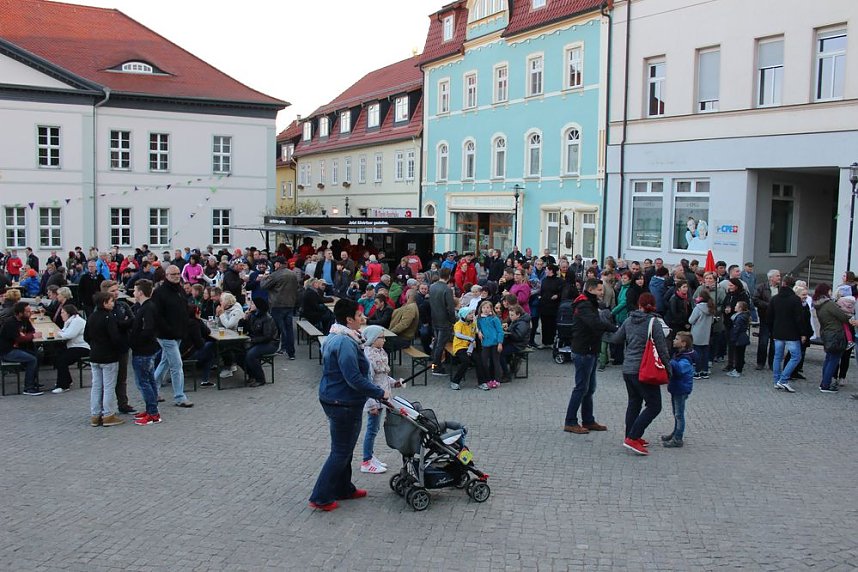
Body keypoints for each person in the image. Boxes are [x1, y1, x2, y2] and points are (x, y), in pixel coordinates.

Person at [308, 298, 390, 512]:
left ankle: (344, 487)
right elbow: (353, 377)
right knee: (340, 451)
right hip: (342, 401)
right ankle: (321, 496)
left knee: (345, 448)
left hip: (336, 398)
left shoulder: (339, 336)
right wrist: (380, 393)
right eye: (359, 315)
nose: (363, 318)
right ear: (349, 319)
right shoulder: (344, 342)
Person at [609, 292, 669, 455]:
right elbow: (662, 349)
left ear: (639, 305)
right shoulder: (653, 323)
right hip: (644, 369)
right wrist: (668, 370)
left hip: (628, 369)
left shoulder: (629, 320)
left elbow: (616, 339)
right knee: (654, 405)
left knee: (634, 402)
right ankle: (633, 438)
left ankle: (631, 434)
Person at [564, 279, 617, 435]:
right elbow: (595, 324)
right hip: (583, 351)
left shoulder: (590, 303)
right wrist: (614, 329)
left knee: (589, 388)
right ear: (592, 290)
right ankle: (570, 421)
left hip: (590, 350)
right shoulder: (584, 305)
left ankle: (588, 420)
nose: (602, 292)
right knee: (581, 387)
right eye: (600, 290)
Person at [360, 325, 404, 474]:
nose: (384, 340)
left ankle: (370, 456)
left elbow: (383, 376)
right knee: (372, 430)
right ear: (373, 339)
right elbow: (368, 381)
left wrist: (394, 383)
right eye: (381, 337)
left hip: (382, 397)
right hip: (375, 398)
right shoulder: (368, 356)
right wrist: (371, 404)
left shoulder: (379, 352)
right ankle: (366, 461)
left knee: (375, 428)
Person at [151, 265, 193, 407]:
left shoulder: (180, 290)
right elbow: (157, 315)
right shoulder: (159, 293)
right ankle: (179, 396)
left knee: (165, 362)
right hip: (166, 335)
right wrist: (167, 330)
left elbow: (184, 309)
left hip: (178, 333)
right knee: (177, 364)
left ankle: (153, 391)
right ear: (166, 276)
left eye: (177, 273)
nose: (176, 276)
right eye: (173, 274)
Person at [84, 292, 124, 426]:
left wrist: (94, 344)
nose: (113, 303)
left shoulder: (92, 316)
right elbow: (115, 337)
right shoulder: (109, 317)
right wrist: (120, 348)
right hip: (109, 356)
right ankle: (108, 415)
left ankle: (95, 414)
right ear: (105, 303)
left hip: (94, 354)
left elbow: (86, 336)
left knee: (96, 386)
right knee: (108, 386)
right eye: (111, 301)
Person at [128, 279, 163, 425]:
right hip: (146, 348)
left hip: (144, 350)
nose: (134, 293)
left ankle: (153, 413)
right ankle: (151, 409)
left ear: (141, 292)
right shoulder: (146, 307)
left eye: (135, 290)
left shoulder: (147, 308)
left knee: (144, 382)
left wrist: (135, 340)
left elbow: (148, 330)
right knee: (149, 380)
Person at [813, 283, 856, 393]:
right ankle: (826, 385)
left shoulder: (819, 304)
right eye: (830, 290)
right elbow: (842, 316)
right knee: (834, 360)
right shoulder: (829, 304)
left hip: (827, 333)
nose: (831, 292)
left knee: (829, 359)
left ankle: (824, 382)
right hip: (836, 334)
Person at [768, 275, 805, 393]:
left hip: (778, 332)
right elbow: (799, 318)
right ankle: (783, 379)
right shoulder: (795, 299)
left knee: (777, 357)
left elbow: (769, 317)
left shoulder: (775, 298)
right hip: (792, 333)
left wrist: (772, 330)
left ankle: (776, 380)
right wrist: (803, 333)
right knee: (796, 356)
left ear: (783, 284)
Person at [0, 301, 42, 395]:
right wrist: (31, 336)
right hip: (7, 351)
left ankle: (33, 381)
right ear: (19, 313)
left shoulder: (25, 320)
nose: (30, 312)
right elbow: (19, 339)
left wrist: (27, 335)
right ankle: (28, 388)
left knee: (38, 355)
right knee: (32, 359)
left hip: (17, 348)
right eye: (27, 311)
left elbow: (32, 331)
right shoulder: (10, 323)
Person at [261, 256, 298, 359]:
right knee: (289, 328)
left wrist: (263, 278)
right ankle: (291, 352)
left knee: (279, 329)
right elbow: (297, 288)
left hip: (277, 305)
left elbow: (263, 286)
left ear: (278, 264)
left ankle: (279, 348)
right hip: (290, 304)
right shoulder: (292, 274)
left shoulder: (275, 275)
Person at [236, 298, 278, 387]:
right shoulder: (252, 316)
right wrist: (243, 320)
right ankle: (251, 375)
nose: (250, 305)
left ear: (258, 307)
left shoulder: (267, 318)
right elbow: (242, 330)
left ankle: (260, 379)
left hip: (270, 344)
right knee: (238, 353)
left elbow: (268, 336)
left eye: (252, 304)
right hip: (256, 342)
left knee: (251, 355)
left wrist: (252, 340)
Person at [663, 331, 695, 448]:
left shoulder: (685, 358)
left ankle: (678, 438)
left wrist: (670, 362)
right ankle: (676, 432)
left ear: (683, 343)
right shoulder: (679, 354)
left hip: (681, 388)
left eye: (676, 339)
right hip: (677, 387)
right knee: (676, 413)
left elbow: (680, 370)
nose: (674, 341)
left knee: (679, 414)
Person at [51, 304, 89, 393]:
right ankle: (67, 379)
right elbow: (64, 331)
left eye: (63, 312)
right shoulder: (69, 321)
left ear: (69, 313)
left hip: (82, 347)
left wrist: (59, 333)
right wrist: (61, 333)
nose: (61, 315)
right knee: (57, 354)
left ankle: (63, 386)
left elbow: (69, 335)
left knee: (62, 360)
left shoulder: (77, 321)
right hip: (73, 346)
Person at [179, 303, 217, 388]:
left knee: (208, 353)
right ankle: (205, 380)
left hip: (181, 352)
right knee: (211, 346)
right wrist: (199, 321)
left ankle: (205, 378)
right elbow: (201, 341)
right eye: (199, 313)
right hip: (188, 354)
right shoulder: (194, 324)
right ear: (196, 313)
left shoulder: (184, 321)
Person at [430, 267, 456, 377]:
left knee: (436, 343)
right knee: (440, 345)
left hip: (435, 318)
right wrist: (453, 320)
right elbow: (450, 308)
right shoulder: (447, 289)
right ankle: (436, 367)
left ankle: (433, 365)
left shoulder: (432, 287)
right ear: (449, 276)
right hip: (444, 320)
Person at [450, 307, 485, 390]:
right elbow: (458, 335)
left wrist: (479, 333)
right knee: (465, 361)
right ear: (464, 315)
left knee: (478, 360)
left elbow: (475, 332)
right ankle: (455, 382)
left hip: (469, 347)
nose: (472, 315)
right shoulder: (458, 324)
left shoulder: (472, 324)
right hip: (459, 347)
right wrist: (470, 339)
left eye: (472, 313)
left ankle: (482, 382)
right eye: (469, 314)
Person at [753, 269, 780, 370]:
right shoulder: (762, 287)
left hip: (777, 319)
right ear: (771, 278)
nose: (779, 278)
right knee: (763, 341)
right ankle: (760, 362)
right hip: (765, 317)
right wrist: (769, 306)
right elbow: (755, 300)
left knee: (775, 343)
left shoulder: (781, 288)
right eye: (777, 276)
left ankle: (772, 363)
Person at [476, 300, 504, 389]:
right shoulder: (479, 319)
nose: (486, 310)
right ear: (481, 309)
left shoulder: (494, 319)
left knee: (495, 361)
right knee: (484, 361)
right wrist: (479, 332)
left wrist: (500, 343)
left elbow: (500, 331)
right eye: (484, 308)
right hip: (485, 343)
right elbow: (477, 327)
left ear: (491, 309)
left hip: (495, 342)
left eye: (488, 308)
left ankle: (497, 379)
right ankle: (487, 379)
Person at [688, 289, 714, 379]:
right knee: (705, 353)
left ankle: (697, 371)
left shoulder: (698, 308)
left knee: (697, 353)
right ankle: (705, 371)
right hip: (706, 334)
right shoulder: (711, 308)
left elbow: (691, 320)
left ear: (701, 297)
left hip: (697, 333)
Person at [727, 301, 751, 378]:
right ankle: (737, 369)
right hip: (741, 337)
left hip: (739, 338)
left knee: (739, 355)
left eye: (736, 306)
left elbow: (736, 329)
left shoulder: (740, 318)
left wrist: (733, 338)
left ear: (740, 308)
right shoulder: (742, 316)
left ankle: (738, 370)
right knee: (739, 354)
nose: (735, 307)